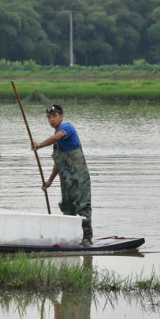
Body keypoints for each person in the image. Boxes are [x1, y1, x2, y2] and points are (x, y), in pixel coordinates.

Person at [31, 104, 93, 246]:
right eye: (48, 117)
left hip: (79, 177)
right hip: (66, 178)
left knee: (82, 206)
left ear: (61, 116)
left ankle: (87, 238)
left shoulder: (67, 129)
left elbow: (57, 137)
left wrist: (39, 145)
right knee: (67, 207)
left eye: (54, 116)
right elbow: (58, 162)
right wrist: (49, 181)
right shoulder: (56, 141)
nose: (51, 119)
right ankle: (70, 237)